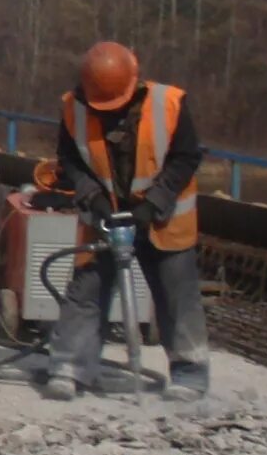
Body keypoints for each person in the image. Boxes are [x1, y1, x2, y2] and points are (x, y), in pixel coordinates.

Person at [38, 41, 209, 402]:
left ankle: (189, 373)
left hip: (163, 220)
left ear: (134, 83)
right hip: (105, 217)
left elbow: (184, 159)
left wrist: (153, 204)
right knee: (86, 290)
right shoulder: (74, 108)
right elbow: (69, 160)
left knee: (177, 295)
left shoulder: (169, 104)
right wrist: (93, 197)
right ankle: (70, 368)